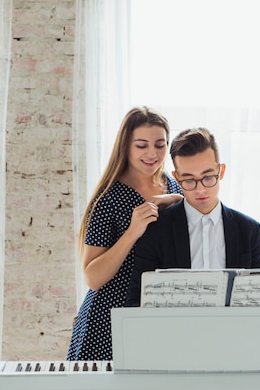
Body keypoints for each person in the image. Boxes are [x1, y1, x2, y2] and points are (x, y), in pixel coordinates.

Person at [67, 106, 183, 360]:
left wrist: (179, 202)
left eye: (160, 144)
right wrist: (132, 232)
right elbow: (93, 278)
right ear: (126, 146)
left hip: (157, 317)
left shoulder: (174, 185)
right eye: (141, 145)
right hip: (108, 319)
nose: (152, 153)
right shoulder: (107, 199)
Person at [126, 127, 260, 307]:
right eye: (189, 180)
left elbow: (259, 299)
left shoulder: (248, 230)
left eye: (208, 177)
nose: (200, 189)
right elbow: (136, 302)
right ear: (176, 178)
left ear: (221, 171)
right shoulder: (156, 230)